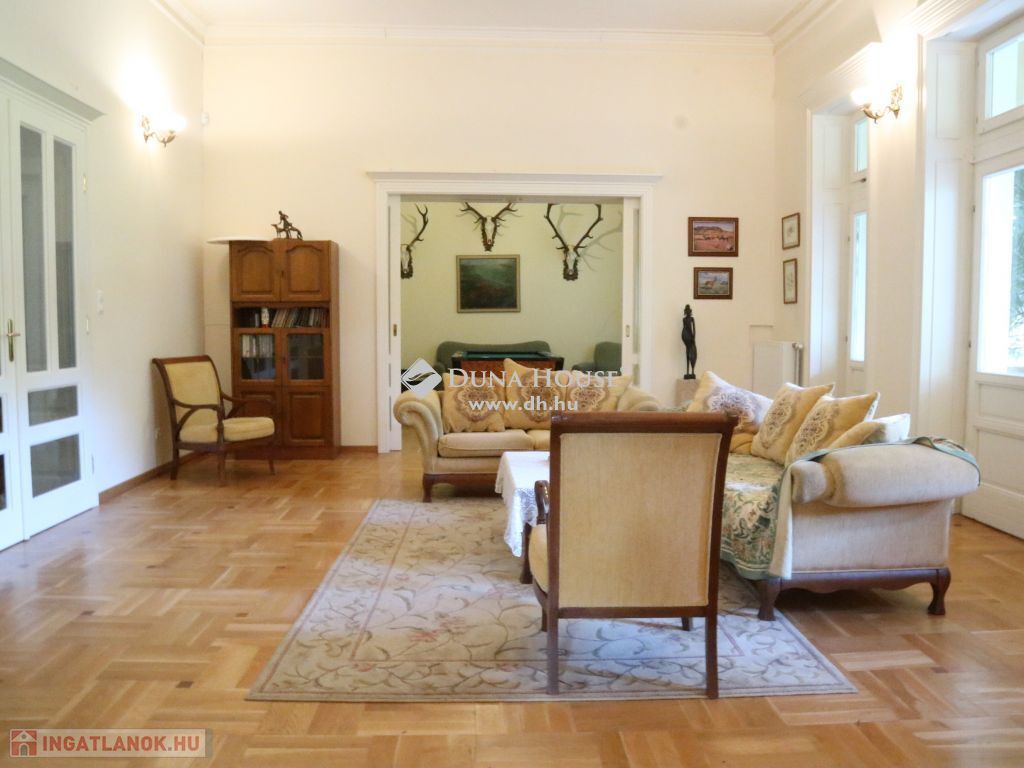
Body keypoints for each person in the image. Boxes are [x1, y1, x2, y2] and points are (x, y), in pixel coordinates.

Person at [681, 305, 697, 379]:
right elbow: (685, 328)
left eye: (689, 311)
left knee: (692, 353)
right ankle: (687, 372)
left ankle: (692, 371)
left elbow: (694, 329)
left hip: (691, 338)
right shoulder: (684, 319)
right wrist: (685, 336)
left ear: (690, 311)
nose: (687, 312)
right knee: (687, 353)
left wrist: (693, 337)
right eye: (686, 311)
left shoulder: (692, 319)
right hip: (686, 337)